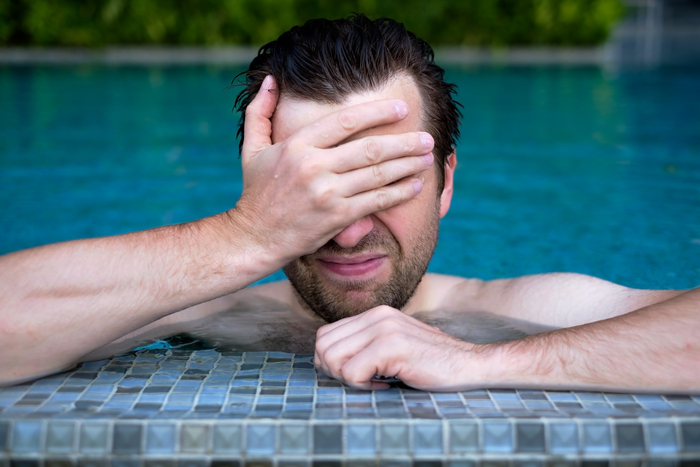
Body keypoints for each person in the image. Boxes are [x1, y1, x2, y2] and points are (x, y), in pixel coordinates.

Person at [0, 14, 698, 392]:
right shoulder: (211, 312)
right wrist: (246, 236)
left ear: (447, 182)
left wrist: (478, 362)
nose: (351, 228)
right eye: (316, 188)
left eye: (389, 180)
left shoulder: (524, 311)